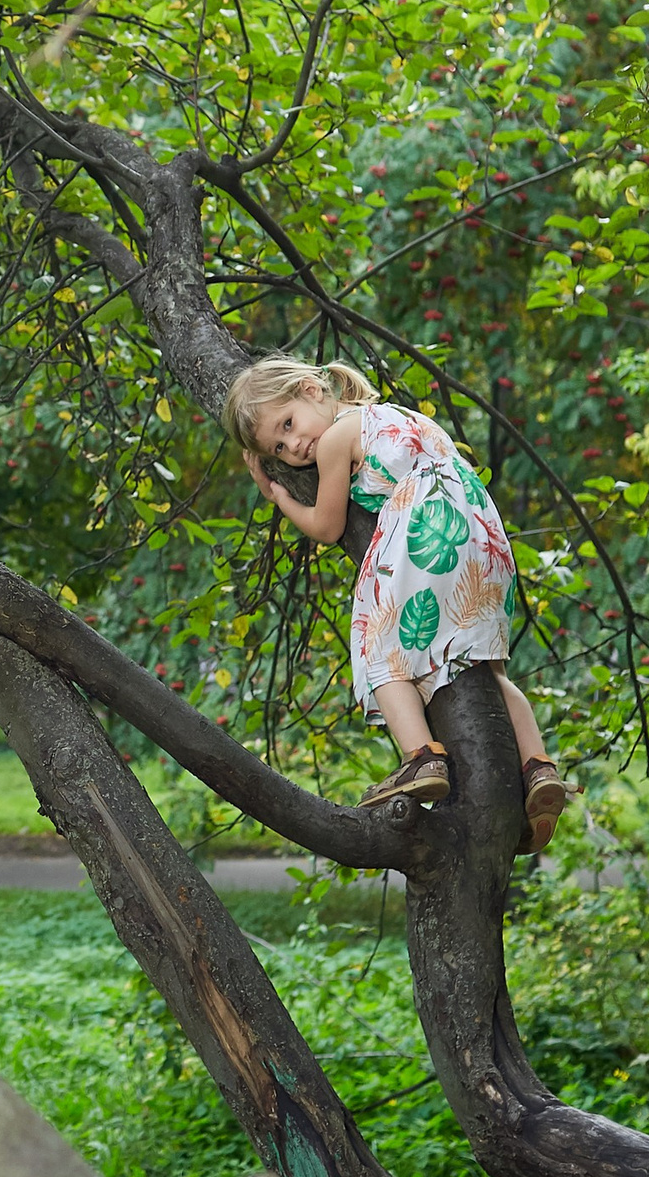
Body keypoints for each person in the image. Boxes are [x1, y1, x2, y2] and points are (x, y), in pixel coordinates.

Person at [225, 354, 574, 853]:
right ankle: (538, 767)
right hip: (479, 529)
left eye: (288, 424)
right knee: (487, 667)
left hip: (426, 529)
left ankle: (421, 757)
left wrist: (277, 495)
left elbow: (327, 526)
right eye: (278, 447)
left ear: (311, 390)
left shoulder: (337, 439)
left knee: (379, 648)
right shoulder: (394, 414)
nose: (294, 445)